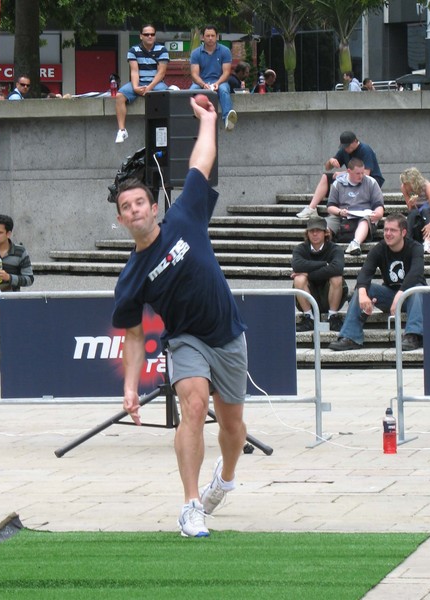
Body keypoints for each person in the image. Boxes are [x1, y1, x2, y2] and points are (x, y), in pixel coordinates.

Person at [112, 96, 247, 538]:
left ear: (154, 208)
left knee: (232, 427)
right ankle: (190, 506)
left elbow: (200, 162)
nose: (134, 210)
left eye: (140, 203)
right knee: (193, 407)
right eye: (126, 206)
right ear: (120, 219)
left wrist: (208, 119)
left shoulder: (185, 216)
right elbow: (134, 334)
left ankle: (224, 479)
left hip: (227, 334)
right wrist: (131, 387)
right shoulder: (131, 277)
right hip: (186, 339)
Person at [329, 213, 426, 352]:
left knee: (416, 289)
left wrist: (401, 294)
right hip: (390, 296)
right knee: (363, 289)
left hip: (414, 298)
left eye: (393, 230)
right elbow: (365, 272)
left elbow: (416, 274)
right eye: (386, 230)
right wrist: (362, 292)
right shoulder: (380, 248)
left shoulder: (415, 247)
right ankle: (350, 336)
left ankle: (413, 336)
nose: (388, 234)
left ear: (403, 232)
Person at [296, 131, 385, 220]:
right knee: (325, 177)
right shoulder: (344, 150)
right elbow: (327, 168)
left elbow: (365, 174)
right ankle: (311, 208)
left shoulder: (365, 150)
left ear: (355, 142)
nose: (346, 149)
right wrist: (331, 161)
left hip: (370, 181)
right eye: (344, 147)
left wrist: (344, 174)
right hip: (351, 178)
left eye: (348, 146)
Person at [291, 216, 348, 332]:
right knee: (299, 279)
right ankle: (308, 318)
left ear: (325, 232)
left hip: (330, 294)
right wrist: (324, 264)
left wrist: (309, 274)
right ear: (307, 233)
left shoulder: (335, 249)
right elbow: (297, 266)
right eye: (312, 231)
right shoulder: (300, 248)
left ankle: (332, 316)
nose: (315, 234)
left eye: (318, 231)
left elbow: (337, 268)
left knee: (336, 277)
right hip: (309, 293)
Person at [115, 24, 169, 143]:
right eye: (146, 34)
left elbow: (161, 73)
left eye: (152, 34)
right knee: (119, 96)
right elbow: (134, 71)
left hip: (156, 83)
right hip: (139, 81)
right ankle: (122, 130)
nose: (150, 36)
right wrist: (135, 87)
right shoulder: (133, 51)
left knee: (166, 95)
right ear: (140, 36)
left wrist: (149, 88)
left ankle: (164, 127)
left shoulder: (162, 50)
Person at [326, 158, 384, 255]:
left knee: (365, 220)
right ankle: (325, 244)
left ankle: (355, 243)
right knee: (327, 222)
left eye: (362, 173)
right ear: (349, 171)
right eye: (357, 173)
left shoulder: (371, 182)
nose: (361, 176)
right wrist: (340, 211)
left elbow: (378, 204)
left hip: (365, 214)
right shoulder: (338, 184)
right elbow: (330, 207)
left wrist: (378, 214)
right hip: (344, 214)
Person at [190, 25, 237, 131]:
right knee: (191, 91)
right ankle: (190, 120)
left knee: (224, 90)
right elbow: (194, 74)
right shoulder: (196, 53)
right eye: (207, 35)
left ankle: (227, 120)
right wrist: (203, 84)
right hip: (201, 82)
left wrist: (218, 83)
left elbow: (226, 72)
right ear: (202, 37)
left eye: (212, 35)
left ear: (217, 37)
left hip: (220, 81)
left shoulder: (225, 51)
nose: (210, 38)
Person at [400, 167, 430, 255]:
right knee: (412, 213)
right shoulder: (404, 188)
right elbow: (411, 209)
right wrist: (412, 204)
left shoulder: (427, 186)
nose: (405, 186)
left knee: (426, 208)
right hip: (420, 218)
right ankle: (407, 241)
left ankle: (427, 241)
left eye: (407, 183)